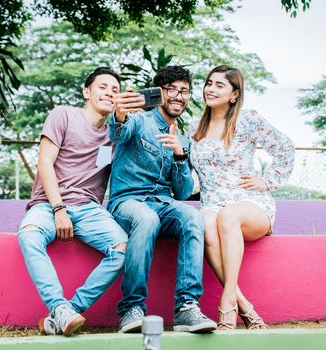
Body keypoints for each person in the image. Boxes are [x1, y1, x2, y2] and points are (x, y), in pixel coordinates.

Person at [17, 67, 128, 337]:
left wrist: (125, 120)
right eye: (103, 87)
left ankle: (67, 311)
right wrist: (58, 209)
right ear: (87, 92)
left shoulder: (114, 136)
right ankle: (58, 306)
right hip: (48, 203)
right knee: (29, 235)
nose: (109, 93)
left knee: (123, 249)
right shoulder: (63, 115)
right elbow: (45, 162)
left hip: (89, 208)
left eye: (115, 90)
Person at [108, 65, 217, 333]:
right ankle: (132, 308)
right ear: (159, 92)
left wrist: (180, 156)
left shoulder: (182, 138)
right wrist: (119, 114)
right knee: (147, 218)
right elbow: (117, 132)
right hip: (128, 201)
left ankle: (186, 308)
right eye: (172, 90)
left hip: (162, 201)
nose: (179, 97)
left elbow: (182, 192)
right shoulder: (139, 120)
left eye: (185, 92)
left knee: (192, 216)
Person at [188, 65, 294, 330]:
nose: (210, 89)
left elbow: (284, 146)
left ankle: (227, 302)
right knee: (206, 224)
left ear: (234, 94)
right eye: (208, 83)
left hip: (249, 203)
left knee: (228, 215)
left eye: (219, 85)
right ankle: (245, 306)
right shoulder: (194, 127)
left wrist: (267, 181)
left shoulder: (247, 120)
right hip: (211, 202)